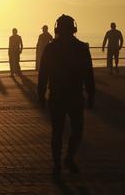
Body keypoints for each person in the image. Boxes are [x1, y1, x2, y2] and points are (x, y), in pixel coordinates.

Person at [37, 14, 95, 179]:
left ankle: (58, 163)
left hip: (57, 95)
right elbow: (88, 74)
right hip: (74, 95)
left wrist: (41, 95)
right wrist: (91, 94)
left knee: (58, 131)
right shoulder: (82, 48)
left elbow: (43, 74)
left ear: (57, 29)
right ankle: (67, 158)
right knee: (77, 130)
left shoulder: (50, 48)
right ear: (74, 28)